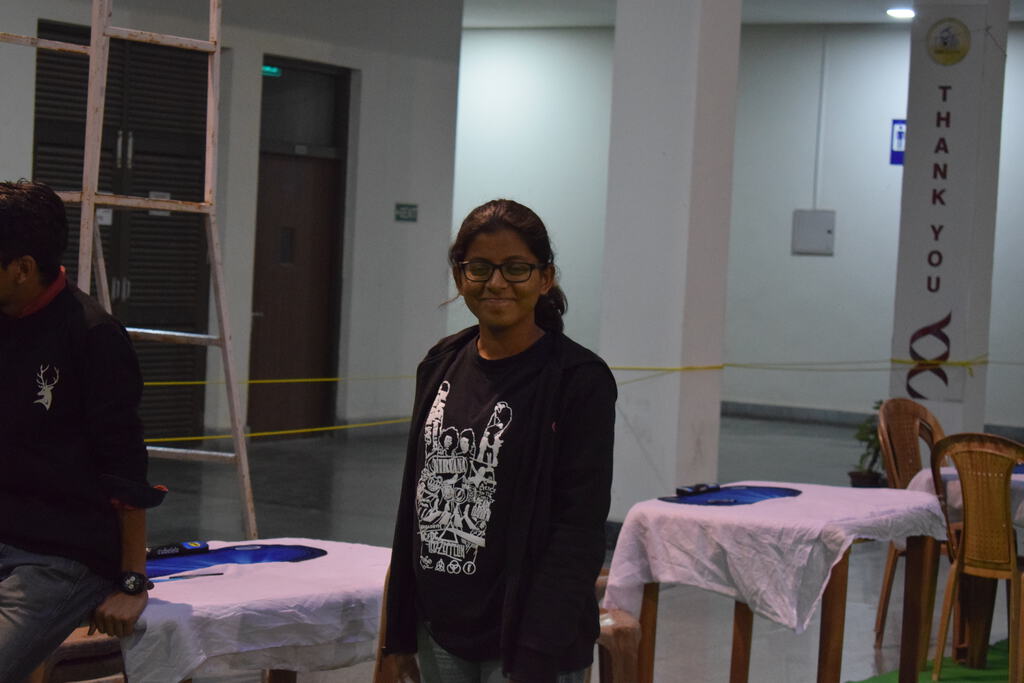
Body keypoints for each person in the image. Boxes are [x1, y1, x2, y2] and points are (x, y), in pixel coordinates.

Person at [380, 199, 616, 682]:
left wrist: (538, 651)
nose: (496, 282)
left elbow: (579, 528)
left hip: (529, 638)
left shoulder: (578, 380)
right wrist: (400, 631)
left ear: (545, 278)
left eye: (516, 268)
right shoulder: (440, 363)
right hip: (440, 628)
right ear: (459, 274)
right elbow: (414, 504)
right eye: (480, 268)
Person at [0, 180, 165, 681]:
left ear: (22, 268)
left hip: (60, 555)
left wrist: (132, 582)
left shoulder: (94, 336)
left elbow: (125, 466)